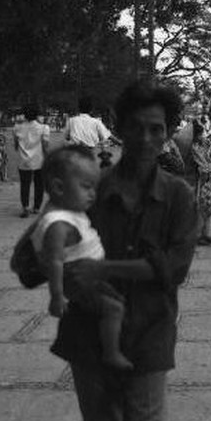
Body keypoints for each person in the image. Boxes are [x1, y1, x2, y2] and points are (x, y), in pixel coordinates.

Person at [50, 80, 198, 421]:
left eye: (158, 129)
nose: (148, 139)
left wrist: (102, 268)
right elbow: (46, 248)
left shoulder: (179, 196)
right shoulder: (89, 190)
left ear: (170, 131)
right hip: (87, 331)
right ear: (119, 129)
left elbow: (173, 269)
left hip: (150, 330)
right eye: (137, 128)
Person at [32, 146, 132, 371]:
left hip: (93, 275)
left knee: (118, 302)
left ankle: (114, 335)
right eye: (86, 187)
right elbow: (55, 261)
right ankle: (111, 353)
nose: (92, 194)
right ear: (58, 187)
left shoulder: (65, 209)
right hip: (80, 280)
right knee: (113, 309)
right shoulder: (57, 224)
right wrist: (56, 297)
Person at [13, 104, 52, 217]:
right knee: (39, 184)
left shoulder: (17, 127)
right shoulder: (44, 128)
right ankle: (36, 208)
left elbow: (16, 145)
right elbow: (45, 145)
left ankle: (25, 207)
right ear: (36, 115)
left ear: (24, 114)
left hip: (23, 161)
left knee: (25, 184)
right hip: (39, 160)